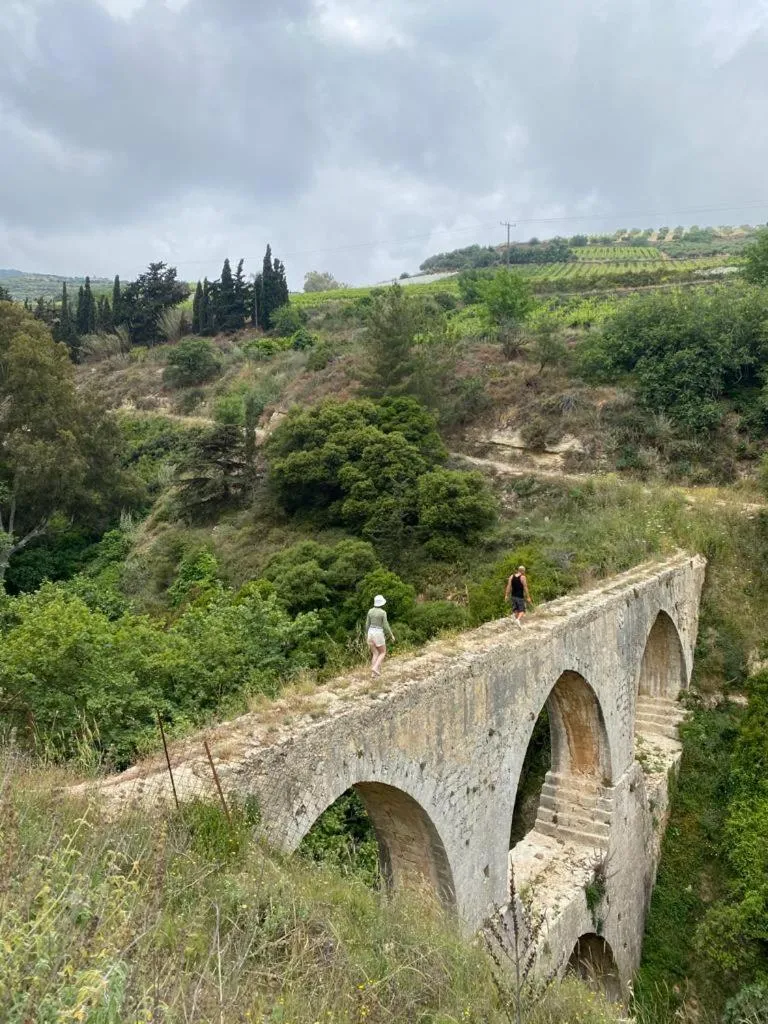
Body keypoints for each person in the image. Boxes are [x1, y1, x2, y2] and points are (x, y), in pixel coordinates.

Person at [365, 594, 395, 676]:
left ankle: (373, 674)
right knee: (383, 652)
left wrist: (366, 634)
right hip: (378, 633)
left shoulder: (370, 611)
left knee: (375, 653)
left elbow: (367, 624)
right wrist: (391, 634)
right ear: (381, 603)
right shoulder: (383, 613)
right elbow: (385, 625)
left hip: (370, 632)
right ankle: (375, 668)